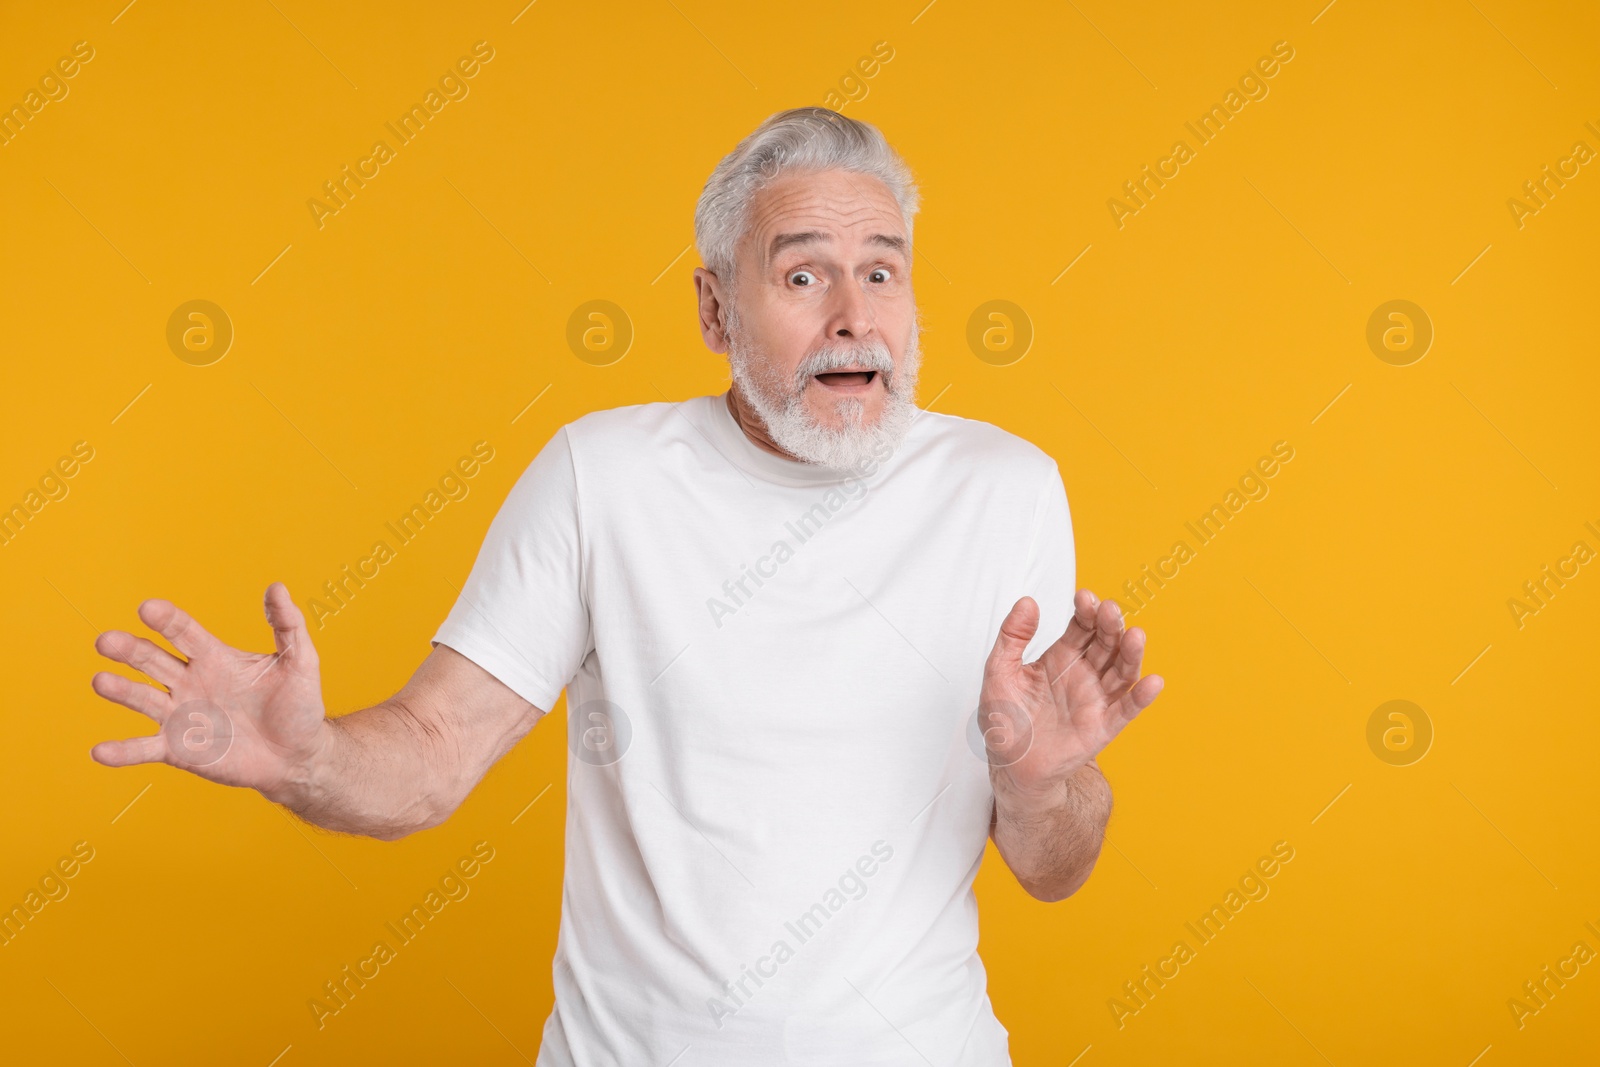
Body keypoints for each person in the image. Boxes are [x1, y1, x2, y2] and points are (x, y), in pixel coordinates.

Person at [88, 106, 1164, 1065]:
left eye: (881, 270)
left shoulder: (1005, 487)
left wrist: (1034, 779)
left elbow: (1052, 865)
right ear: (712, 310)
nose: (853, 314)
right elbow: (431, 756)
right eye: (801, 275)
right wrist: (306, 757)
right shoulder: (599, 476)